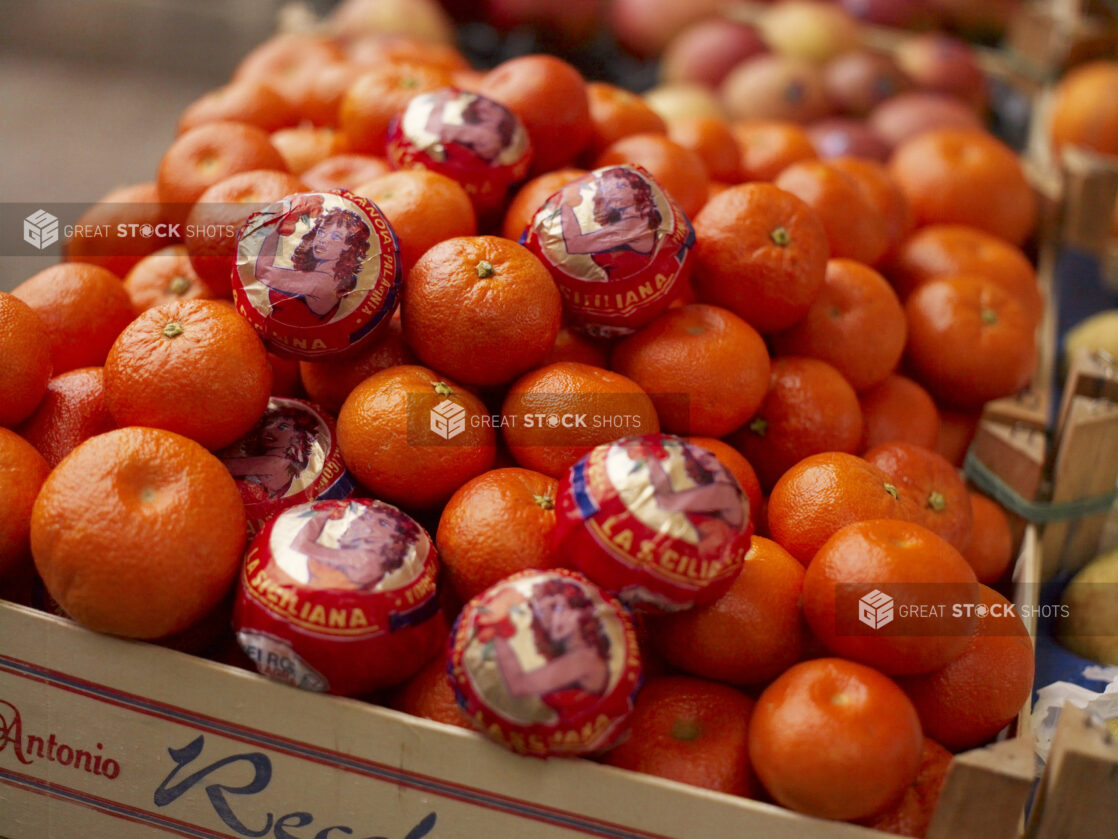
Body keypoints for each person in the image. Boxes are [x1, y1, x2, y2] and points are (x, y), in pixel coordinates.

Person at [486, 578, 612, 708]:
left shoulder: (585, 658)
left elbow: (518, 685)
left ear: (582, 610)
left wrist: (497, 631)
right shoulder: (579, 653)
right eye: (542, 613)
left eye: (557, 607)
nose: (554, 620)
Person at [253, 206, 371, 326]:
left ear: (348, 246)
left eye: (336, 236)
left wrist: (276, 226)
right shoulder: (331, 276)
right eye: (321, 232)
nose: (323, 240)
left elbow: (263, 273)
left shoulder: (322, 282)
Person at [639, 441, 748, 555]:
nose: (687, 472)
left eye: (689, 468)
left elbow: (667, 502)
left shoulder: (722, 493)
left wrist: (653, 461)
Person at [556, 167, 663, 282]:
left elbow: (575, 245)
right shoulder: (625, 219)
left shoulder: (633, 225)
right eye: (607, 188)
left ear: (637, 191)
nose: (612, 193)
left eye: (620, 186)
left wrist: (566, 203)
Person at [287, 502, 419, 591]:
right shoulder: (363, 552)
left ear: (398, 541)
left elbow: (300, 545)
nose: (369, 524)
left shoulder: (368, 558)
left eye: (383, 524)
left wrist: (325, 513)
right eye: (367, 516)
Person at [222, 407, 320, 499]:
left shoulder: (276, 464)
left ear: (298, 436)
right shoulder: (279, 461)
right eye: (268, 424)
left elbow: (223, 466)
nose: (268, 430)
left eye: (282, 427)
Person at [421, 92, 518, 166]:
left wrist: (441, 102)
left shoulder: (487, 137)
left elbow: (434, 128)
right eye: (478, 105)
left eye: (494, 106)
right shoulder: (487, 133)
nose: (483, 106)